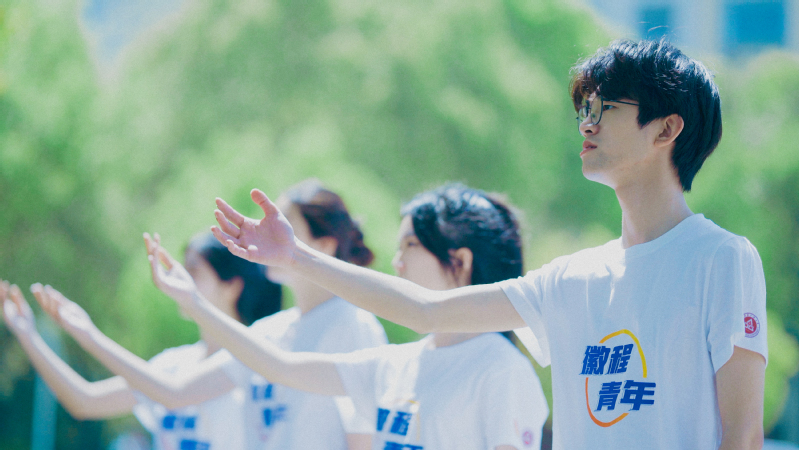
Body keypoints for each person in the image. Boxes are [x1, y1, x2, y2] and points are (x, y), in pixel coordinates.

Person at [209, 39, 768, 449]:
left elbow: (742, 437)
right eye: (584, 109)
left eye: (605, 109)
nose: (586, 124)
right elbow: (425, 310)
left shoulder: (721, 259)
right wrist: (296, 256)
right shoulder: (571, 278)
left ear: (666, 129)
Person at [147, 183, 548, 449]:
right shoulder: (397, 364)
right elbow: (279, 367)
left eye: (410, 246)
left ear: (459, 261)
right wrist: (195, 304)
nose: (397, 263)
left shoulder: (500, 369)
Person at [33, 179, 388, 450]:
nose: (269, 233)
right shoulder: (271, 331)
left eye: (285, 227)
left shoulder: (354, 326)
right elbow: (174, 391)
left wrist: (192, 303)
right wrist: (85, 334)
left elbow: (365, 438)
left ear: (324, 244)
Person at [1, 232, 282, 450]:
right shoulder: (174, 364)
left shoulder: (252, 360)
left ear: (231, 286)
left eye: (193, 272)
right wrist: (27, 334)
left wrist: (90, 336)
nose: (179, 279)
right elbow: (85, 401)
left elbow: (173, 393)